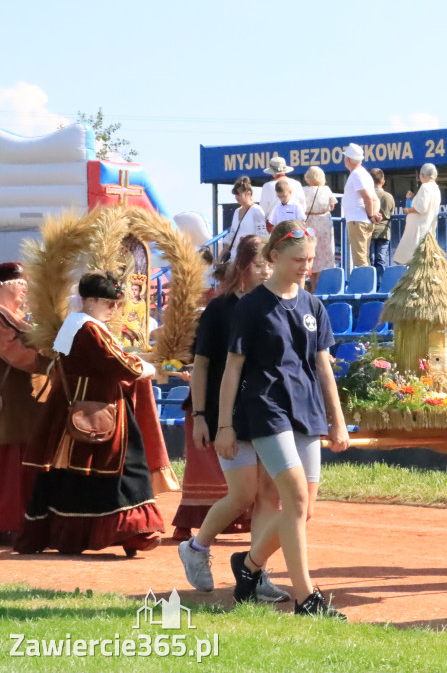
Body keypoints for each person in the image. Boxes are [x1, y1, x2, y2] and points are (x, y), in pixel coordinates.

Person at [214, 220, 350, 617]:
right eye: (297, 260)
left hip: (305, 409)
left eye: (310, 259)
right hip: (265, 408)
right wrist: (225, 424)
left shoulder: (314, 306)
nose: (306, 266)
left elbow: (323, 368)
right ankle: (306, 599)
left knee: (303, 509)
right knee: (294, 498)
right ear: (273, 257)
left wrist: (336, 419)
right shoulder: (251, 306)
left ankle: (249, 566)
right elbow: (232, 370)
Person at [16, 271, 164, 556]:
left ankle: (69, 534)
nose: (114, 310)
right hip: (99, 409)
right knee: (122, 465)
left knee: (69, 474)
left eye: (117, 305)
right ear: (91, 300)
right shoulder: (89, 328)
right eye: (110, 304)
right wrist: (147, 368)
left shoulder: (72, 324)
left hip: (71, 409)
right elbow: (116, 363)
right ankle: (132, 531)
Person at [176, 235, 290, 602]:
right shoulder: (219, 309)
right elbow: (202, 366)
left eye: (269, 265)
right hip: (227, 414)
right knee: (243, 493)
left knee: (270, 495)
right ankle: (196, 548)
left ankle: (255, 573)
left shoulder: (276, 306)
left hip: (267, 412)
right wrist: (200, 417)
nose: (265, 271)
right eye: (258, 265)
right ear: (242, 267)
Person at [0, 263, 49, 541]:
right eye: (20, 282)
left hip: (24, 400)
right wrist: (47, 362)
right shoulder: (1, 317)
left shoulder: (16, 317)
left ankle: (21, 519)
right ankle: (9, 521)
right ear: (4, 285)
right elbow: (13, 353)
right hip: (9, 400)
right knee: (10, 458)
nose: (25, 288)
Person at [393, 164, 441, 265]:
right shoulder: (436, 189)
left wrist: (407, 210)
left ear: (422, 175)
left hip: (417, 230)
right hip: (427, 229)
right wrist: (415, 197)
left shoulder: (425, 187)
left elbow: (422, 208)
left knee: (403, 260)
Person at [341, 144, 379, 269]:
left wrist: (371, 215)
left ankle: (364, 287)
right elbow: (373, 198)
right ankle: (367, 286)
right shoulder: (364, 174)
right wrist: (372, 215)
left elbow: (368, 197)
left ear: (349, 160)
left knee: (360, 259)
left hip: (357, 220)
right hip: (361, 219)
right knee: (363, 256)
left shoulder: (356, 174)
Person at [303, 166, 338, 293]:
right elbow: (332, 205)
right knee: (325, 255)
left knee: (312, 254)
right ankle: (323, 288)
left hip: (310, 223)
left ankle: (313, 287)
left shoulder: (304, 190)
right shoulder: (326, 189)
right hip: (324, 223)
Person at [221, 177, 267, 262]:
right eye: (235, 194)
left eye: (239, 194)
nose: (236, 197)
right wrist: (220, 257)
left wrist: (248, 239)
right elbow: (232, 235)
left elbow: (263, 236)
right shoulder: (237, 211)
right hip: (235, 257)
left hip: (250, 256)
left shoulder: (256, 210)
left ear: (248, 194)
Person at [369, 168, 395, 283]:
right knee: (380, 260)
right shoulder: (388, 196)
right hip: (384, 232)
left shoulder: (368, 196)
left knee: (370, 259)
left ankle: (371, 284)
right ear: (383, 181)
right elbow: (391, 212)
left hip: (369, 231)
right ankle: (380, 284)